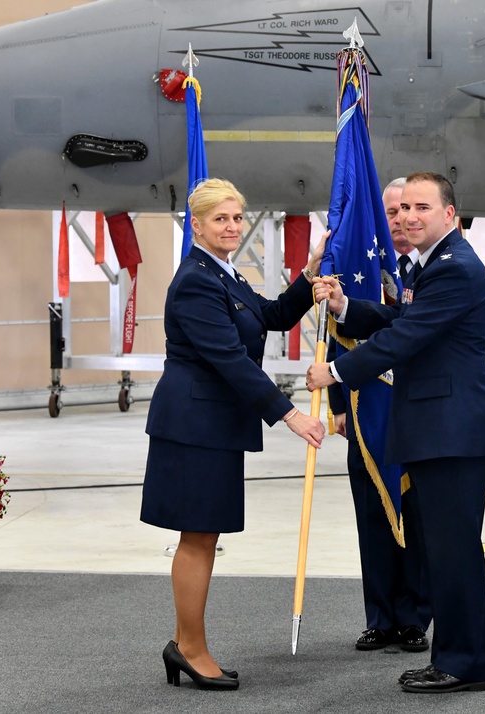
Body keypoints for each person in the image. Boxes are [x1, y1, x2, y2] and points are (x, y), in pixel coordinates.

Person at [307, 171, 485, 693]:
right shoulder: (434, 264)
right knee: (445, 550)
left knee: (453, 550)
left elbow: (407, 335)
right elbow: (401, 314)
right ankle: (457, 657)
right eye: (401, 210)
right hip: (440, 428)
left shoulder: (455, 268)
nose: (407, 217)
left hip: (453, 431)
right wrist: (347, 308)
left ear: (450, 214)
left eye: (421, 208)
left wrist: (334, 372)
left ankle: (464, 664)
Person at [140, 177, 327, 691]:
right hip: (195, 425)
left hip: (212, 423)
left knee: (204, 534)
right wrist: (290, 415)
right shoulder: (198, 279)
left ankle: (185, 644)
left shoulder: (222, 273)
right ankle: (190, 649)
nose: (231, 226)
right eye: (220, 218)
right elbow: (228, 359)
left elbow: (265, 317)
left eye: (237, 218)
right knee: (198, 537)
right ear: (196, 225)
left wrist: (308, 278)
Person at [326, 176, 431, 654]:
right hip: (364, 409)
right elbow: (338, 333)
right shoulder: (361, 266)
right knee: (371, 517)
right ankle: (379, 617)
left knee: (415, 517)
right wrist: (337, 404)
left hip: (412, 414)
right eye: (390, 212)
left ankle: (413, 618)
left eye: (408, 209)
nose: (400, 220)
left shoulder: (425, 268)